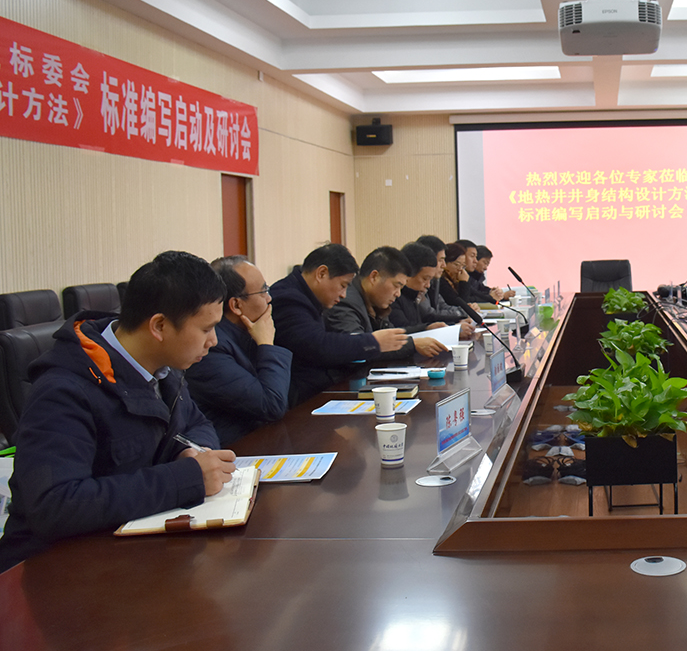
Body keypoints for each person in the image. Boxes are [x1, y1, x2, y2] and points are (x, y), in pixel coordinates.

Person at [0, 251, 236, 572]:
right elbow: (55, 505)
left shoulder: (163, 368)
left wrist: (190, 451)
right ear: (159, 326)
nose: (214, 341)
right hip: (50, 570)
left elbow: (196, 422)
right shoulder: (63, 389)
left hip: (128, 551)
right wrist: (186, 478)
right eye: (207, 328)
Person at [271, 243, 408, 406]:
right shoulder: (288, 299)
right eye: (342, 286)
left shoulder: (306, 295)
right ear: (321, 274)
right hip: (299, 400)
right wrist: (374, 342)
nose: (343, 295)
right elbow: (319, 345)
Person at [187, 256, 294, 445]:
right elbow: (271, 405)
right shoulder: (212, 348)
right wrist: (266, 344)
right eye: (263, 291)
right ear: (236, 305)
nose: (269, 299)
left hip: (261, 439)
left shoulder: (245, 333)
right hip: (234, 448)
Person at [326, 245, 447, 359]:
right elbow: (358, 348)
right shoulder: (346, 301)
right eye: (396, 286)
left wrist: (426, 329)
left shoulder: (374, 301)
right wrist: (412, 345)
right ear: (374, 277)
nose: (398, 294)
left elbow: (390, 335)